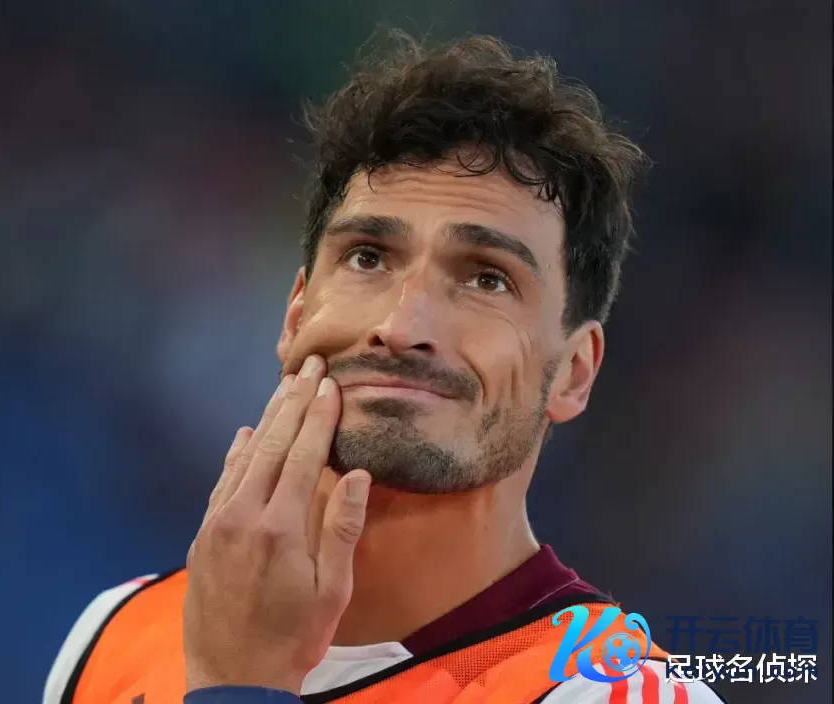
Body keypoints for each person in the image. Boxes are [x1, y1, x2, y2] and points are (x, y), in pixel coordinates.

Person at [44, 32, 726, 703]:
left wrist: (243, 684)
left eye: (487, 278)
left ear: (575, 372)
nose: (401, 328)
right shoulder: (112, 634)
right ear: (294, 316)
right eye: (367, 257)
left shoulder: (616, 693)